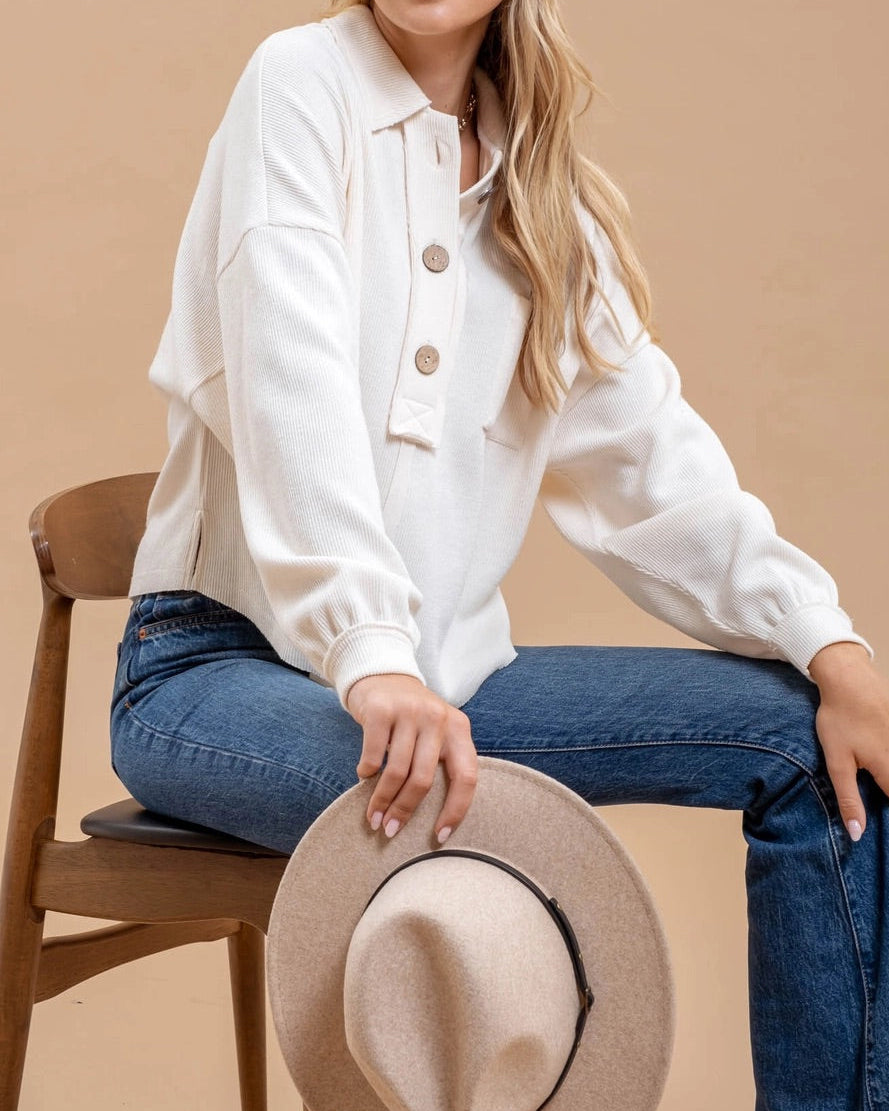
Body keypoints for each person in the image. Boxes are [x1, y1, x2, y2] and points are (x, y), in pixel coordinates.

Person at [109, 0, 889, 1105]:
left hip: (446, 685)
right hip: (210, 670)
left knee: (817, 748)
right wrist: (372, 653)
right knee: (465, 809)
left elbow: (654, 468)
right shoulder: (298, 84)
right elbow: (292, 400)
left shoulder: (538, 190)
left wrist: (827, 643)